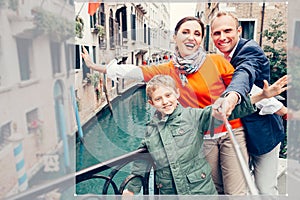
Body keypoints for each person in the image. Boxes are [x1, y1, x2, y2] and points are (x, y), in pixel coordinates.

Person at [81, 16, 286, 195]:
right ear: (175, 36)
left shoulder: (216, 61)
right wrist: (94, 66)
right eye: (185, 32)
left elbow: (242, 87)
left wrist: (282, 109)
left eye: (197, 33)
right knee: (215, 188)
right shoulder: (167, 68)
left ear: (201, 39)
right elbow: (132, 72)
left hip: (232, 130)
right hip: (204, 135)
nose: (191, 37)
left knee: (236, 191)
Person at [121, 74, 285, 195]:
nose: (165, 101)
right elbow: (141, 162)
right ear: (151, 103)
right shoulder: (151, 130)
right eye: (158, 99)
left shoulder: (193, 116)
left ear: (177, 94)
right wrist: (131, 190)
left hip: (199, 191)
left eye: (168, 95)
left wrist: (262, 96)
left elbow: (228, 111)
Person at [210, 11, 287, 195]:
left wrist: (232, 96)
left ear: (239, 30)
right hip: (236, 134)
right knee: (240, 189)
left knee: (265, 189)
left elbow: (244, 74)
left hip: (262, 134)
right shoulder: (218, 59)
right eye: (217, 33)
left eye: (227, 31)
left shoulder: (249, 50)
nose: (222, 37)